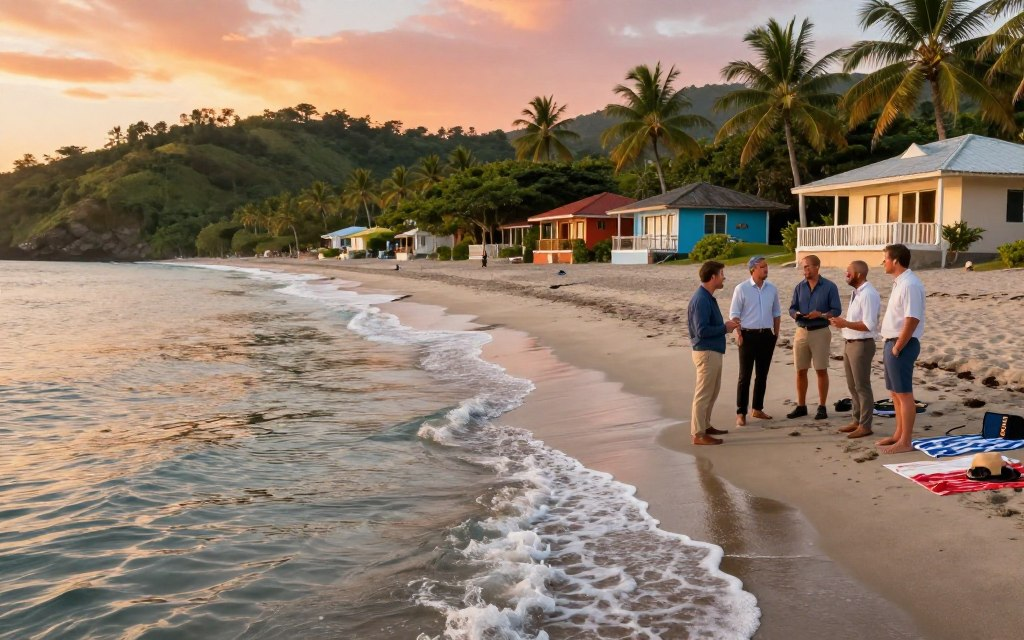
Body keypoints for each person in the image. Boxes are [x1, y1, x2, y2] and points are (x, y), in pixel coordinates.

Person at [877, 244, 925, 454]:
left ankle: (906, 441)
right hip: (891, 342)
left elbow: (912, 318)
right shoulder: (900, 283)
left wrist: (898, 346)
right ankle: (898, 433)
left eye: (885, 258)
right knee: (894, 392)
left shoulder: (910, 284)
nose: (883, 262)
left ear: (895, 260)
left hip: (902, 344)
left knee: (904, 393)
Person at [687, 260, 741, 445]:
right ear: (713, 277)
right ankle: (698, 434)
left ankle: (705, 425)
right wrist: (725, 328)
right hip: (706, 352)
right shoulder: (701, 299)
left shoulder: (706, 297)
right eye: (721, 274)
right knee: (703, 393)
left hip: (712, 351)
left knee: (712, 391)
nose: (724, 277)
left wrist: (725, 326)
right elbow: (701, 330)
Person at [829, 261, 881, 439]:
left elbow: (869, 325)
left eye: (849, 272)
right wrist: (842, 323)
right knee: (852, 386)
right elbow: (855, 320)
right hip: (849, 343)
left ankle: (865, 425)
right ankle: (857, 420)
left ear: (859, 274)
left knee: (862, 386)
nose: (846, 274)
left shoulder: (868, 294)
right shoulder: (856, 293)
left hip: (862, 345)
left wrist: (845, 323)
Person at [787, 254, 842, 420]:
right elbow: (791, 308)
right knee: (800, 370)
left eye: (807, 266)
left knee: (821, 369)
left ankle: (822, 406)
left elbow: (837, 310)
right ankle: (801, 406)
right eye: (803, 267)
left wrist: (822, 314)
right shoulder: (799, 287)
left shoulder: (830, 287)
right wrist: (796, 314)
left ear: (817, 267)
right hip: (801, 331)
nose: (805, 270)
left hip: (820, 331)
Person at [728, 256, 781, 426]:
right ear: (753, 269)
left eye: (766, 266)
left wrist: (776, 334)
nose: (766, 269)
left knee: (762, 375)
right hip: (747, 335)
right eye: (762, 267)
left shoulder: (772, 289)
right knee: (745, 375)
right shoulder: (741, 289)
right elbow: (734, 314)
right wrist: (738, 333)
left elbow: (776, 313)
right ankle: (741, 412)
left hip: (766, 335)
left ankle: (757, 408)